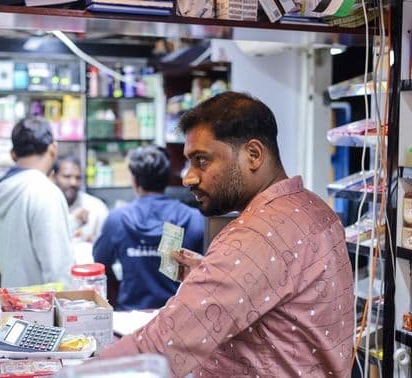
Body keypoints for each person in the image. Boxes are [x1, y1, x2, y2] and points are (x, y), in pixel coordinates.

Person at [98, 92, 355, 377]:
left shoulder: (255, 235)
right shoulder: (314, 207)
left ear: (253, 155)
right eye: (188, 162)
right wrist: (211, 274)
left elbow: (161, 348)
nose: (188, 177)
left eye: (202, 160)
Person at [92, 145, 204, 311]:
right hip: (175, 316)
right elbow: (205, 271)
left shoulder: (117, 219)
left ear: (134, 180)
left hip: (128, 317)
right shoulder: (193, 218)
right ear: (167, 179)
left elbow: (100, 265)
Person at [0, 117, 74, 288]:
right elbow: (58, 269)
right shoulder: (43, 191)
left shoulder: (0, 189)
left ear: (13, 154)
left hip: (12, 303)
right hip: (41, 309)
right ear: (53, 149)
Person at [52, 155, 108, 243]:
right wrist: (74, 221)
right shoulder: (46, 206)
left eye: (78, 178)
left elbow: (104, 247)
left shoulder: (96, 208)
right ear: (54, 177)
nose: (73, 183)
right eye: (67, 177)